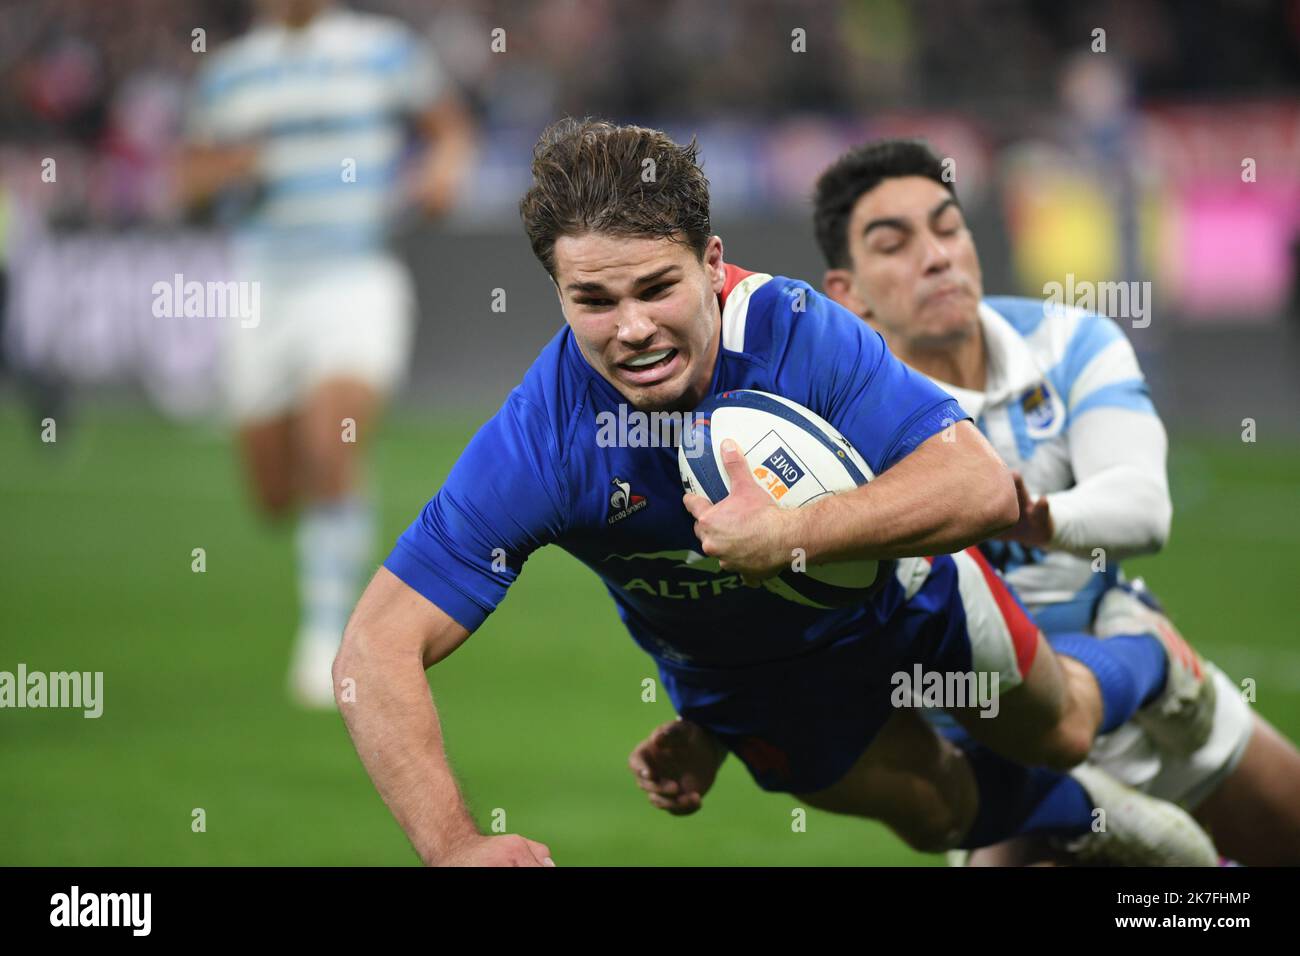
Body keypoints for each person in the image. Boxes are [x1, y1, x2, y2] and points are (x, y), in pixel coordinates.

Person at [336, 119, 1217, 867]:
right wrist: (453, 848)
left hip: (905, 589)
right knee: (937, 815)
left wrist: (791, 533)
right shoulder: (543, 439)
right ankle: (1101, 820)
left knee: (1057, 728)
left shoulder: (798, 334)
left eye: (656, 287)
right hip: (743, 680)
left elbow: (981, 487)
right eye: (594, 301)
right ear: (557, 294)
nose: (633, 328)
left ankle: (1154, 656)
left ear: (712, 263)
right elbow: (373, 650)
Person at [630, 137, 1300, 867]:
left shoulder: (1070, 339)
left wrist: (1030, 515)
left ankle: (1157, 673)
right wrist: (718, 730)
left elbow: (1143, 509)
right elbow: (786, 604)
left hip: (1143, 692)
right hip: (993, 743)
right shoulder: (821, 423)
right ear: (848, 292)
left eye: (948, 228)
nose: (937, 255)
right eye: (894, 244)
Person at [177, 0, 474, 707]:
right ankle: (335, 519)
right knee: (275, 494)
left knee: (330, 439)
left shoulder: (381, 50)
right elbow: (183, 188)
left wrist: (441, 171)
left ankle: (327, 638)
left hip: (354, 275)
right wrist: (223, 174)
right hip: (262, 287)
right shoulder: (230, 75)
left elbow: (450, 125)